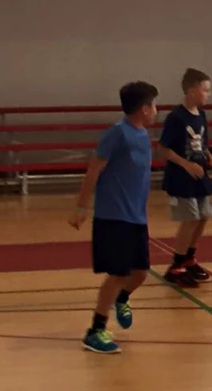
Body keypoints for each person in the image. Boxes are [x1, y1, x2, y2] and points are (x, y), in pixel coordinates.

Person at [68, 81, 159, 354]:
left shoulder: (143, 135)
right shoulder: (116, 134)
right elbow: (93, 170)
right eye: (154, 105)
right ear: (144, 109)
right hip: (114, 217)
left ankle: (122, 298)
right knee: (118, 273)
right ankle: (95, 330)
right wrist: (81, 207)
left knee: (140, 273)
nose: (157, 110)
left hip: (136, 218)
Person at [160, 68, 212, 287]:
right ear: (191, 90)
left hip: (199, 175)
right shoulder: (176, 117)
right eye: (205, 90)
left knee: (204, 216)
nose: (209, 94)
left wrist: (210, 159)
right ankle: (176, 266)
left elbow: (202, 144)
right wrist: (186, 164)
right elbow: (164, 149)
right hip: (181, 177)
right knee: (190, 219)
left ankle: (189, 257)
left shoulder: (202, 115)